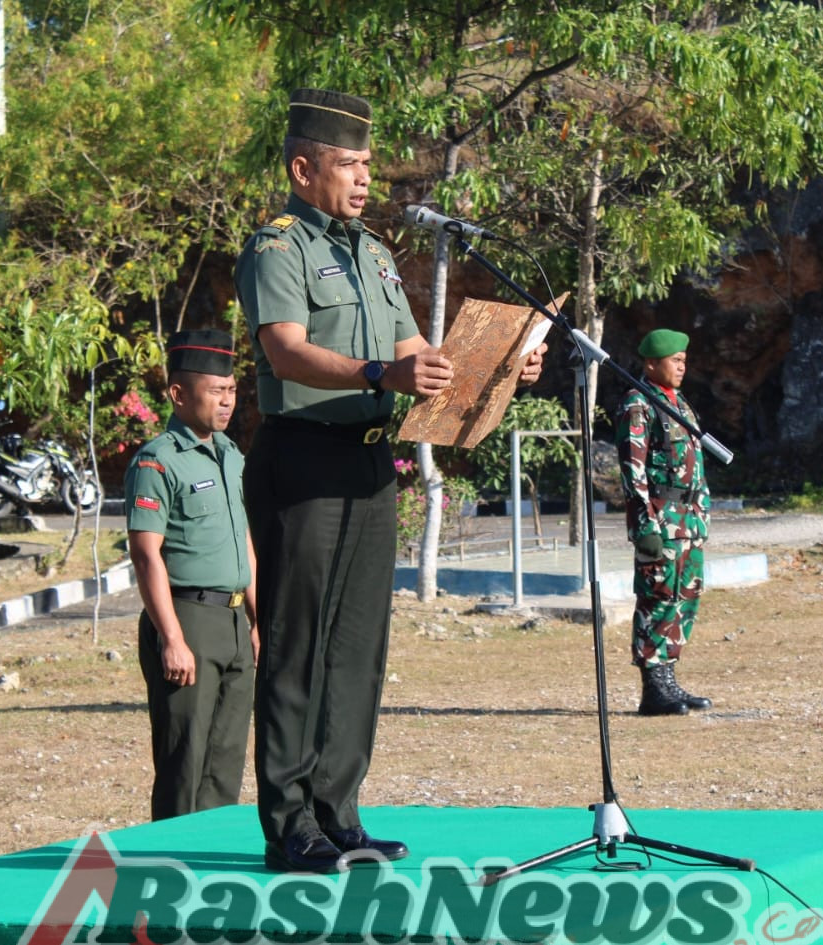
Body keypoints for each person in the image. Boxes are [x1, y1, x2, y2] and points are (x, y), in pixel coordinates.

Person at [234, 87, 543, 874]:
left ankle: (339, 811)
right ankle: (290, 822)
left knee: (357, 648)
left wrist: (495, 368)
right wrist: (382, 370)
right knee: (298, 644)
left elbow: (416, 353)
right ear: (303, 169)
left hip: (371, 459)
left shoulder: (370, 252)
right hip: (303, 456)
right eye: (348, 164)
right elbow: (285, 352)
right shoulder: (278, 247)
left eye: (369, 164)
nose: (365, 179)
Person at [124, 329, 258, 820]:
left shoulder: (231, 455)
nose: (226, 402)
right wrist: (171, 637)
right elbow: (145, 555)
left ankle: (210, 862)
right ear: (179, 395)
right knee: (185, 761)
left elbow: (245, 540)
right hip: (188, 619)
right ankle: (170, 868)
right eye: (215, 391)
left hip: (233, 622)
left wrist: (257, 622)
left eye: (232, 391)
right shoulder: (158, 460)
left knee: (226, 762)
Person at [615, 327, 713, 717]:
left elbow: (696, 465)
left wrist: (702, 514)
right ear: (652, 363)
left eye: (684, 361)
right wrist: (645, 526)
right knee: (657, 598)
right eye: (675, 361)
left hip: (688, 519)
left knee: (684, 599)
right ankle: (653, 687)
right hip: (660, 519)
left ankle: (669, 678)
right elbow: (632, 470)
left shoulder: (680, 403)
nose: (681, 367)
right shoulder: (638, 404)